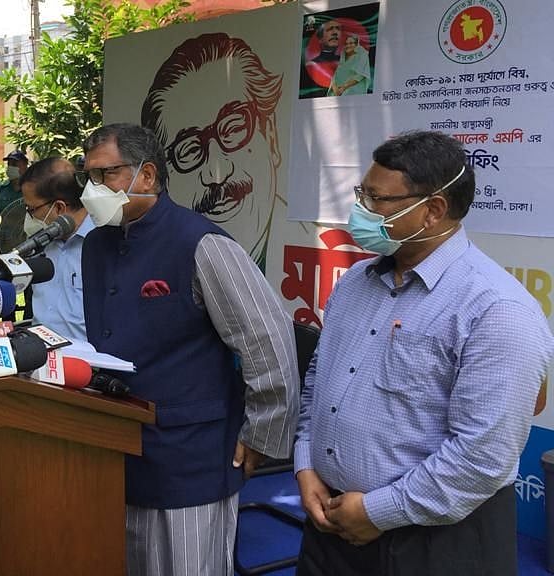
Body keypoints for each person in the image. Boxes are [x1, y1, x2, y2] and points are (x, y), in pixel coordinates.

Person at [293, 131, 554, 576]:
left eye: (377, 199)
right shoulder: (354, 282)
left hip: (432, 543)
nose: (361, 211)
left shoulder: (497, 309)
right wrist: (306, 464)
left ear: (432, 211)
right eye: (362, 194)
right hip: (329, 527)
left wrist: (378, 512)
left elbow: (482, 457)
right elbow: (319, 380)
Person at [79, 123, 299, 576]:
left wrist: (262, 434)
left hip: (190, 454)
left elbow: (266, 339)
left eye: (106, 174)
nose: (93, 188)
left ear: (147, 176)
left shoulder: (201, 243)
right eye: (89, 176)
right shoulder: (98, 243)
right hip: (116, 446)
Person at [141, 32, 283, 269]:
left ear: (270, 135)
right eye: (189, 150)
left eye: (233, 128)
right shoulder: (153, 261)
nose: (216, 174)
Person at [20, 157, 93, 342]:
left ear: (59, 208)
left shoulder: (101, 244)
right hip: (39, 352)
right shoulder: (40, 244)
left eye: (31, 209)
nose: (29, 217)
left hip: (86, 357)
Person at [0, 150, 30, 264]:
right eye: (9, 164)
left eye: (14, 164)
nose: (10, 168)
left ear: (25, 166)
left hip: (28, 243)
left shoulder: (33, 188)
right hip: (5, 244)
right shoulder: (2, 190)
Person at [301, 18, 343, 98]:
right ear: (320, 39)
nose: (335, 33)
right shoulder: (311, 66)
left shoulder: (349, 62)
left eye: (338, 29)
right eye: (330, 29)